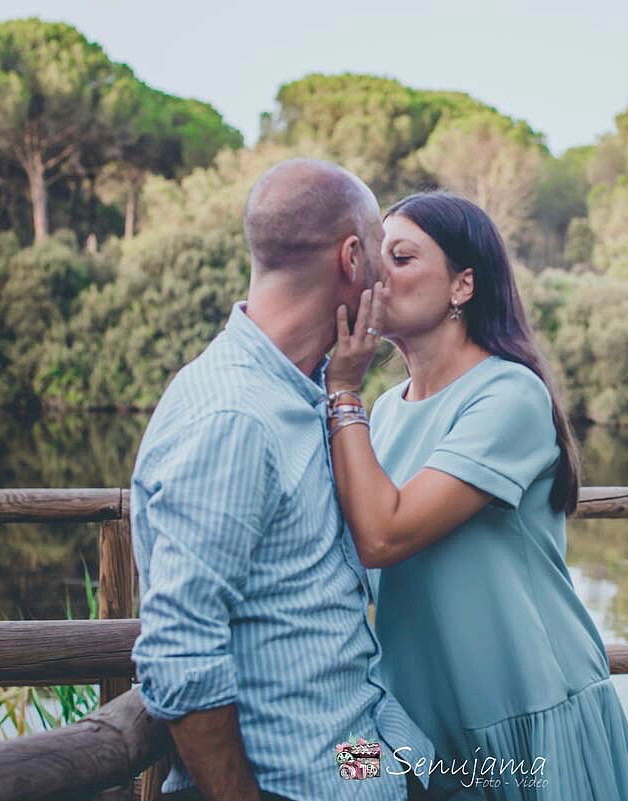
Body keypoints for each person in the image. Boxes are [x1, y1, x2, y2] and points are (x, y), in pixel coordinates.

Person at [324, 191, 628, 801]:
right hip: (415, 718)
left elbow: (382, 536)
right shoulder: (385, 412)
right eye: (375, 257)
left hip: (521, 713)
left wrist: (341, 389)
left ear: (462, 286)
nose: (379, 273)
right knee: (334, 774)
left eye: (402, 257)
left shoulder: (509, 395)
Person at [129, 159, 434, 801]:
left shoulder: (298, 394)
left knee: (496, 777)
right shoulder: (236, 417)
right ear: (352, 259)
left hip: (348, 758)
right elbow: (180, 649)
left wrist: (401, 768)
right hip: (298, 783)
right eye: (382, 248)